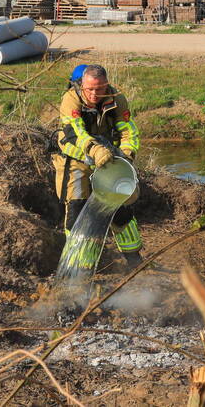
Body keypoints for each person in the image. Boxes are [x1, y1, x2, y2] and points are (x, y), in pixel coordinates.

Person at [53, 64, 143, 271]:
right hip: (76, 160)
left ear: (107, 85)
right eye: (90, 89)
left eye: (100, 89)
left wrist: (127, 155)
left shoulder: (117, 99)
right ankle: (80, 265)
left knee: (120, 208)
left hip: (108, 160)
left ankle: (134, 259)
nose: (94, 94)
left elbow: (128, 130)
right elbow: (76, 132)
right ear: (81, 85)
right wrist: (95, 151)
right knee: (77, 211)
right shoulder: (71, 99)